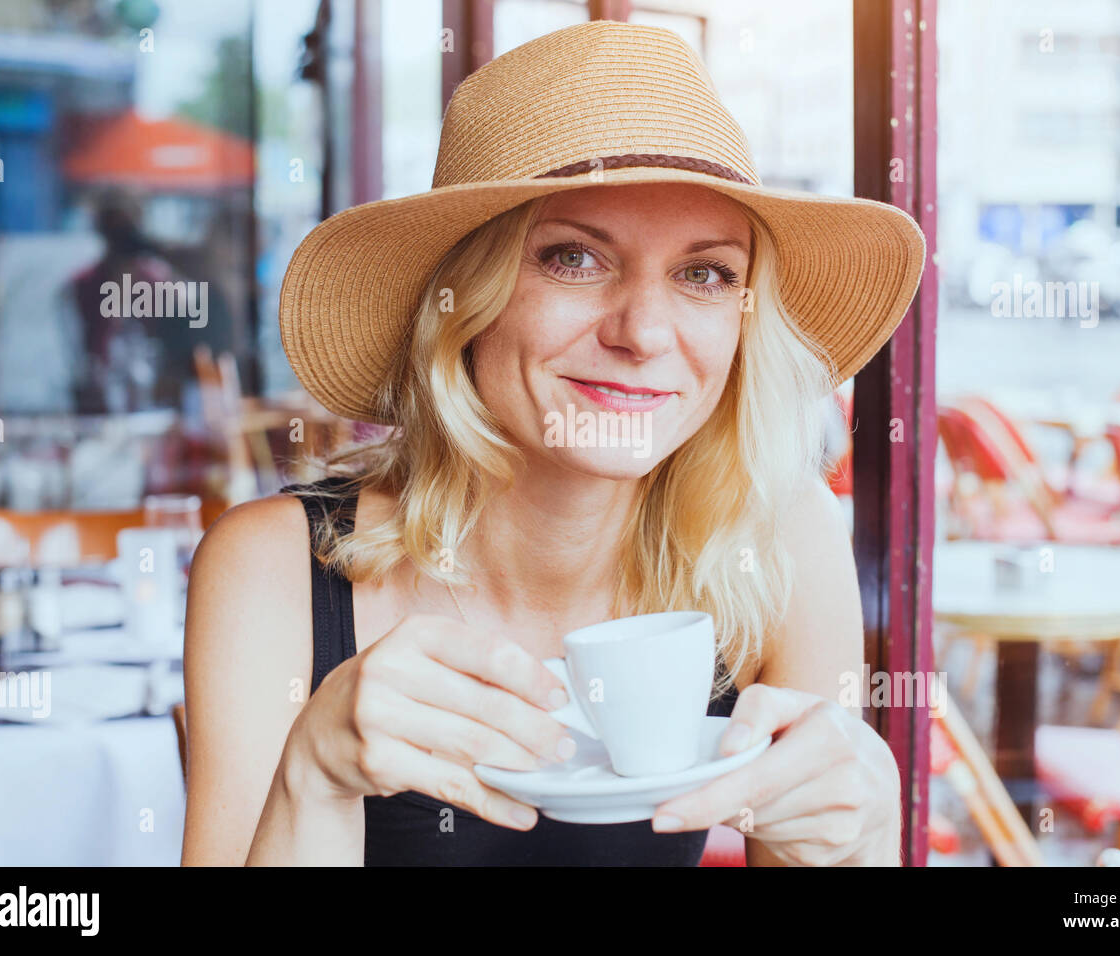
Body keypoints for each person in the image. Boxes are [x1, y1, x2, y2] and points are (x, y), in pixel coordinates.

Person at [181, 20, 924, 866]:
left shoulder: (780, 540)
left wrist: (859, 839)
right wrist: (310, 780)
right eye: (573, 258)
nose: (644, 332)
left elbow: (817, 840)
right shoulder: (275, 568)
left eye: (705, 274)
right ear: (463, 300)